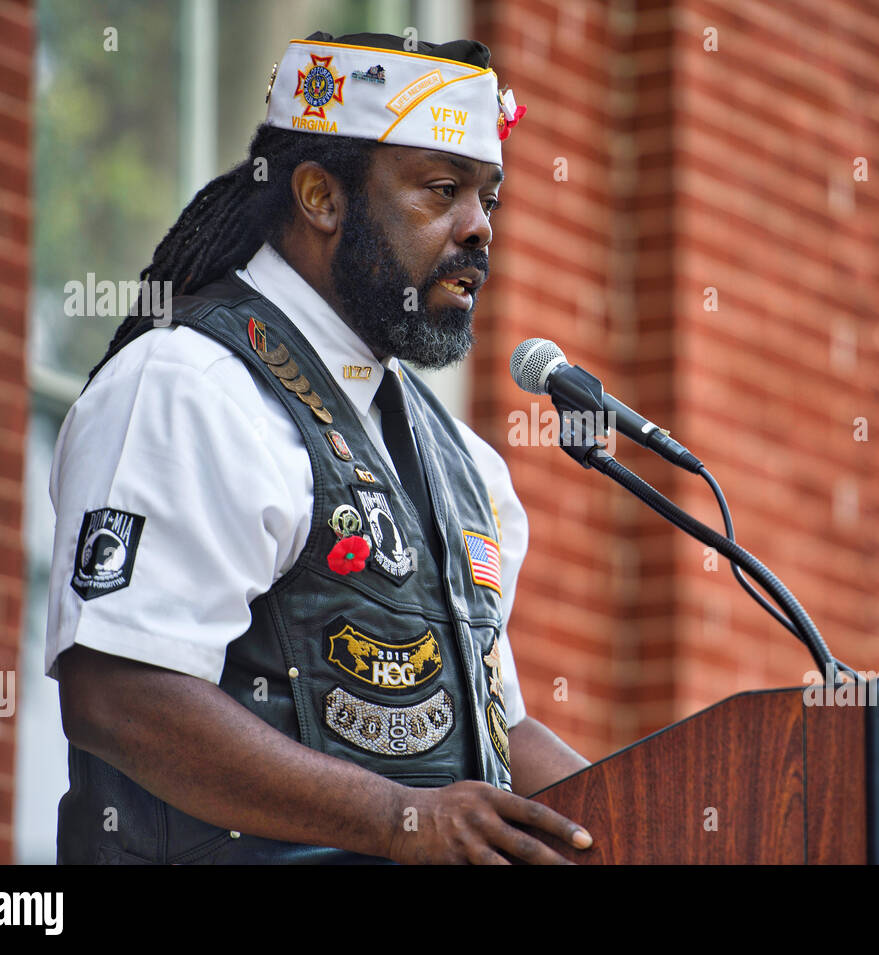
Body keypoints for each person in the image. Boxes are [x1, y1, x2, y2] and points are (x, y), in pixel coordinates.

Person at [45, 30, 591, 864]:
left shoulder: (467, 464)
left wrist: (669, 813)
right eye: (443, 189)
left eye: (490, 199)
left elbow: (498, 734)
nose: (479, 227)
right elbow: (119, 692)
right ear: (319, 198)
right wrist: (401, 818)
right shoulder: (191, 385)